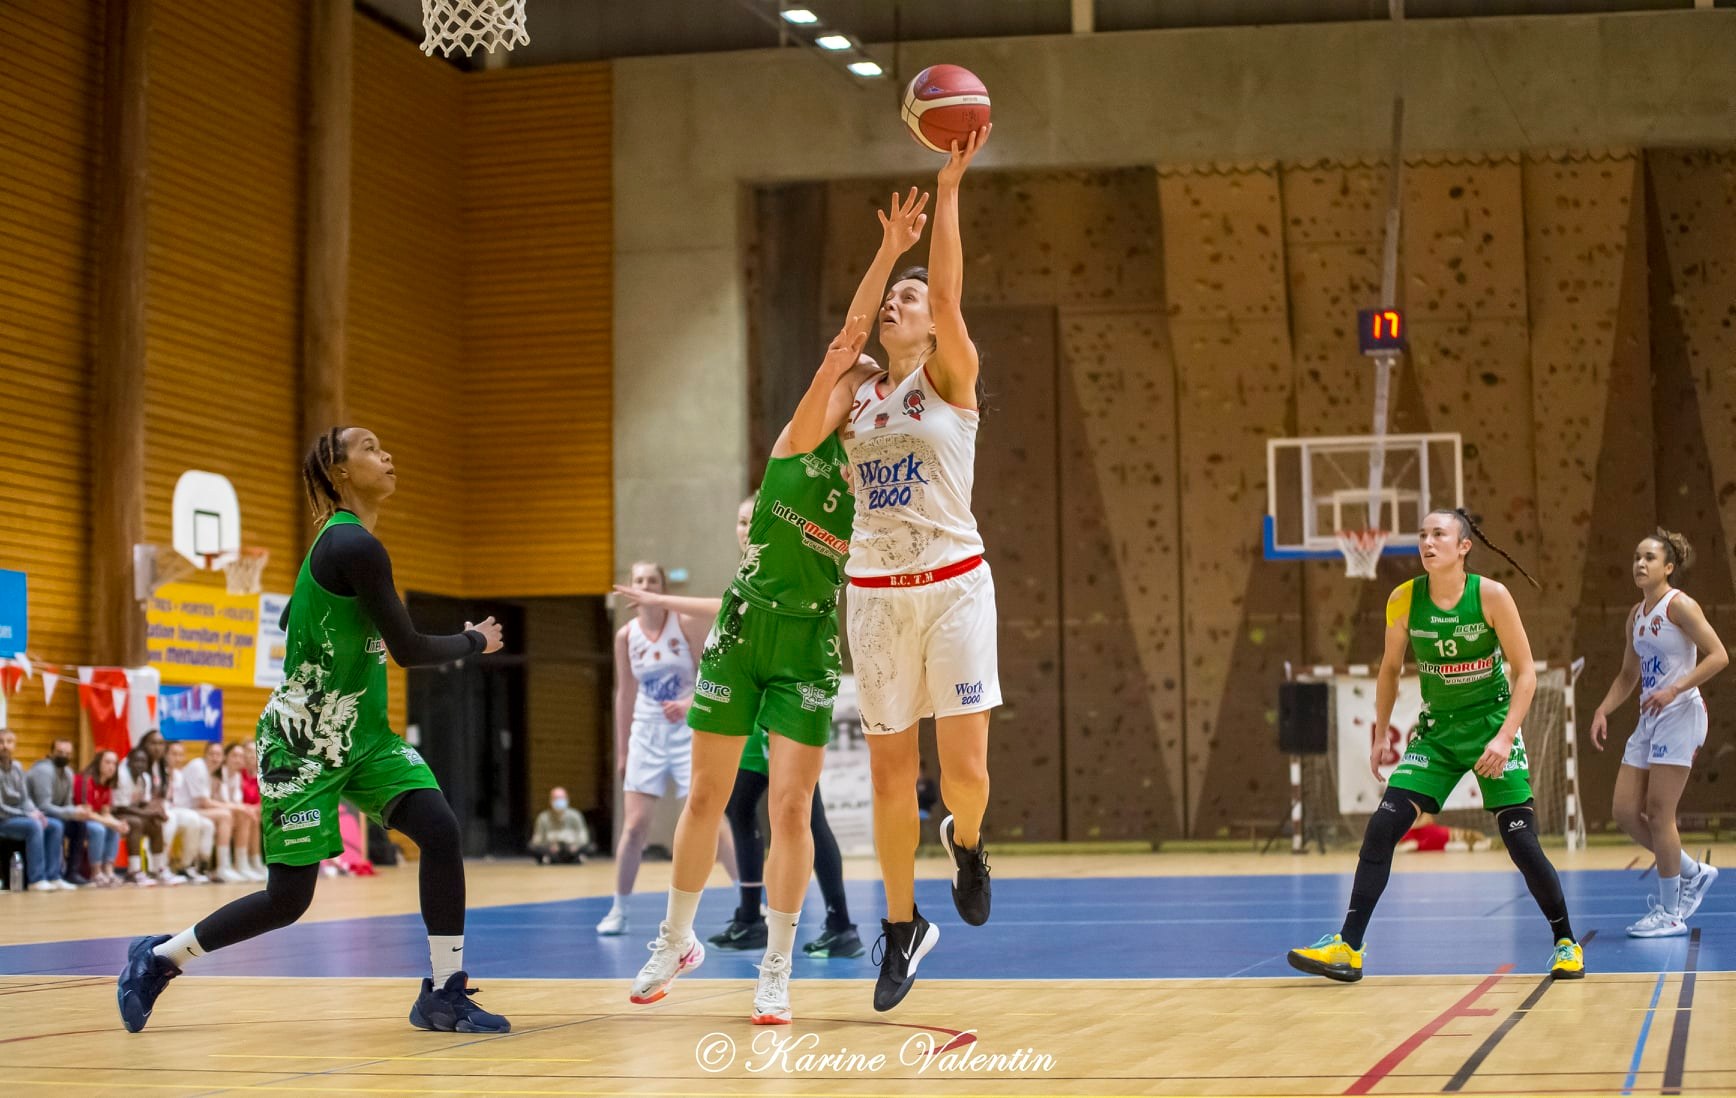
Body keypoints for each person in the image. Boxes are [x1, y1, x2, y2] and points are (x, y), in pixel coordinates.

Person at [117, 425, 511, 1035]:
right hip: (300, 744)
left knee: (439, 831)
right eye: (371, 448)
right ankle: (160, 958)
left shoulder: (351, 546)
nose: (388, 454)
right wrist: (474, 640)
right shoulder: (352, 546)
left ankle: (443, 992)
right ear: (340, 472)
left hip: (363, 736)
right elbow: (405, 648)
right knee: (288, 900)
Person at [625, 313, 880, 1025]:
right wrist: (890, 254)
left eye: (871, 394)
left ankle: (777, 969)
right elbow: (844, 347)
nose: (861, 398)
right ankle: (675, 940)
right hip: (741, 638)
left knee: (791, 810)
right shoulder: (797, 449)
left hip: (808, 646)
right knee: (707, 797)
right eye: (857, 388)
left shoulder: (876, 491)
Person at [840, 133, 1000, 1011]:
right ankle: (901, 929)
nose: (906, 300)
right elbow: (849, 331)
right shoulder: (857, 387)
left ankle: (968, 845)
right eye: (894, 297)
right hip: (873, 596)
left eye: (914, 297)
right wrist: (882, 256)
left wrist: (947, 189)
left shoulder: (950, 375)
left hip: (954, 583)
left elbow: (942, 289)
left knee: (965, 774)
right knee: (887, 781)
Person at [1288, 509, 1585, 981]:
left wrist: (1506, 736)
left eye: (1438, 534)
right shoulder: (1403, 599)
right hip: (1438, 734)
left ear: (1463, 546)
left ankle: (1566, 942)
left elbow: (1526, 673)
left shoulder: (1491, 595)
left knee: (1521, 842)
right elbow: (1389, 668)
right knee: (1382, 830)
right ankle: (1349, 947)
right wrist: (1382, 731)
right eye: (1422, 535)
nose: (1427, 542)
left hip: (1491, 726)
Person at [625, 496, 865, 960]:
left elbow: (730, 609)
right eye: (737, 520)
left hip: (786, 699)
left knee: (802, 813)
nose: (743, 528)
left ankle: (837, 923)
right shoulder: (747, 573)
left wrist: (659, 599)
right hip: (747, 709)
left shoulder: (779, 569)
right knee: (737, 807)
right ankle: (749, 916)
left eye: (751, 519)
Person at [1590, 528, 1728, 937]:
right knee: (1624, 811)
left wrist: (1674, 688)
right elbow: (1629, 674)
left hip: (1681, 712)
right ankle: (1693, 871)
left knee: (1660, 812)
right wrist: (1603, 709)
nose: (1640, 563)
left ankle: (1671, 913)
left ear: (1668, 567)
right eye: (1636, 556)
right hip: (1649, 716)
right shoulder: (1636, 615)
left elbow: (1719, 655)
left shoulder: (1679, 605)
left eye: (1649, 558)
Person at [597, 560, 735, 935]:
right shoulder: (626, 635)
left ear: (661, 588)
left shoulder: (683, 623)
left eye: (651, 580)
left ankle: (749, 905)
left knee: (713, 821)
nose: (644, 585)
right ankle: (619, 909)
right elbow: (624, 693)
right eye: (639, 579)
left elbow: (712, 672)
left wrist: (690, 701)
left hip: (687, 730)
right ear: (631, 587)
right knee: (636, 823)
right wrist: (623, 748)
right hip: (647, 731)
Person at [0, 728, 73, 891]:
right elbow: (1, 808)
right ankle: (36, 879)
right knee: (33, 826)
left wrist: (36, 812)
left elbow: (25, 798)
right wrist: (28, 815)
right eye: (1, 742)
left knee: (55, 825)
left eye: (9, 742)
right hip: (3, 819)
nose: (5, 746)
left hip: (16, 816)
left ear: (14, 745)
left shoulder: (17, 767)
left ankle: (53, 876)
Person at [26, 738, 91, 886]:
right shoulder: (43, 770)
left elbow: (67, 803)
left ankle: (72, 873)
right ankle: (52, 875)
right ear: (50, 753)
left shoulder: (68, 772)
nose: (64, 756)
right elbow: (43, 806)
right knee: (57, 825)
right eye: (60, 752)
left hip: (54, 814)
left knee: (79, 825)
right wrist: (71, 812)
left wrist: (75, 813)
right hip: (36, 814)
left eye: (68, 753)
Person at [114, 746, 180, 887]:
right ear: (129, 761)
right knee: (136, 822)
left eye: (143, 762)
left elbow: (144, 803)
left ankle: (158, 869)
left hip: (133, 812)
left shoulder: (145, 778)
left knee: (155, 822)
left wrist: (158, 812)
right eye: (136, 761)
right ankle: (134, 871)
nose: (140, 764)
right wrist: (149, 813)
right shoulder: (122, 776)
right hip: (115, 813)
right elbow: (121, 807)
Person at [182, 741, 245, 882]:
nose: (215, 758)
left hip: (195, 810)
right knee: (225, 815)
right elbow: (203, 802)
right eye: (212, 754)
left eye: (218, 755)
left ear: (222, 758)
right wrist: (237, 807)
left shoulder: (210, 772)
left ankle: (217, 867)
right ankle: (223, 867)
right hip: (183, 809)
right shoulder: (198, 767)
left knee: (229, 817)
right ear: (205, 755)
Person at [162, 740, 215, 883]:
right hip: (166, 810)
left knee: (207, 824)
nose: (178, 758)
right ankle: (162, 867)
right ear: (165, 754)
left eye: (180, 755)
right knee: (178, 819)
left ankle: (190, 866)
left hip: (180, 810)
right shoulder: (159, 773)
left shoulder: (180, 775)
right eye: (174, 754)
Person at [74, 750, 128, 887]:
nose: (111, 767)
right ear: (98, 763)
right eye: (107, 762)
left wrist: (118, 823)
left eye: (114, 764)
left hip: (94, 818)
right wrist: (111, 823)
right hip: (77, 818)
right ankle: (96, 872)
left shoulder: (107, 784)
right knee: (99, 829)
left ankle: (109, 871)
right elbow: (88, 813)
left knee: (113, 829)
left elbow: (105, 812)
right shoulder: (86, 780)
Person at [215, 741, 266, 881]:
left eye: (241, 756)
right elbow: (228, 802)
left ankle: (250, 863)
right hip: (220, 811)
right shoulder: (227, 773)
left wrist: (248, 809)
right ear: (226, 757)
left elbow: (239, 802)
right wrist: (247, 809)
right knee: (247, 816)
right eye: (247, 752)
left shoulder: (240, 776)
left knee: (250, 816)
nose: (250, 756)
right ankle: (231, 865)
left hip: (234, 812)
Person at [530, 786, 590, 864]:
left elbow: (583, 836)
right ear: (551, 800)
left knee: (591, 847)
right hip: (551, 849)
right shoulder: (543, 817)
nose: (559, 800)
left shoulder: (576, 815)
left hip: (571, 848)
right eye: (556, 798)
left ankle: (551, 860)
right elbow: (537, 840)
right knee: (532, 848)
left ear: (567, 799)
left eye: (562, 798)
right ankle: (573, 859)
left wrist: (576, 846)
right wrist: (548, 846)